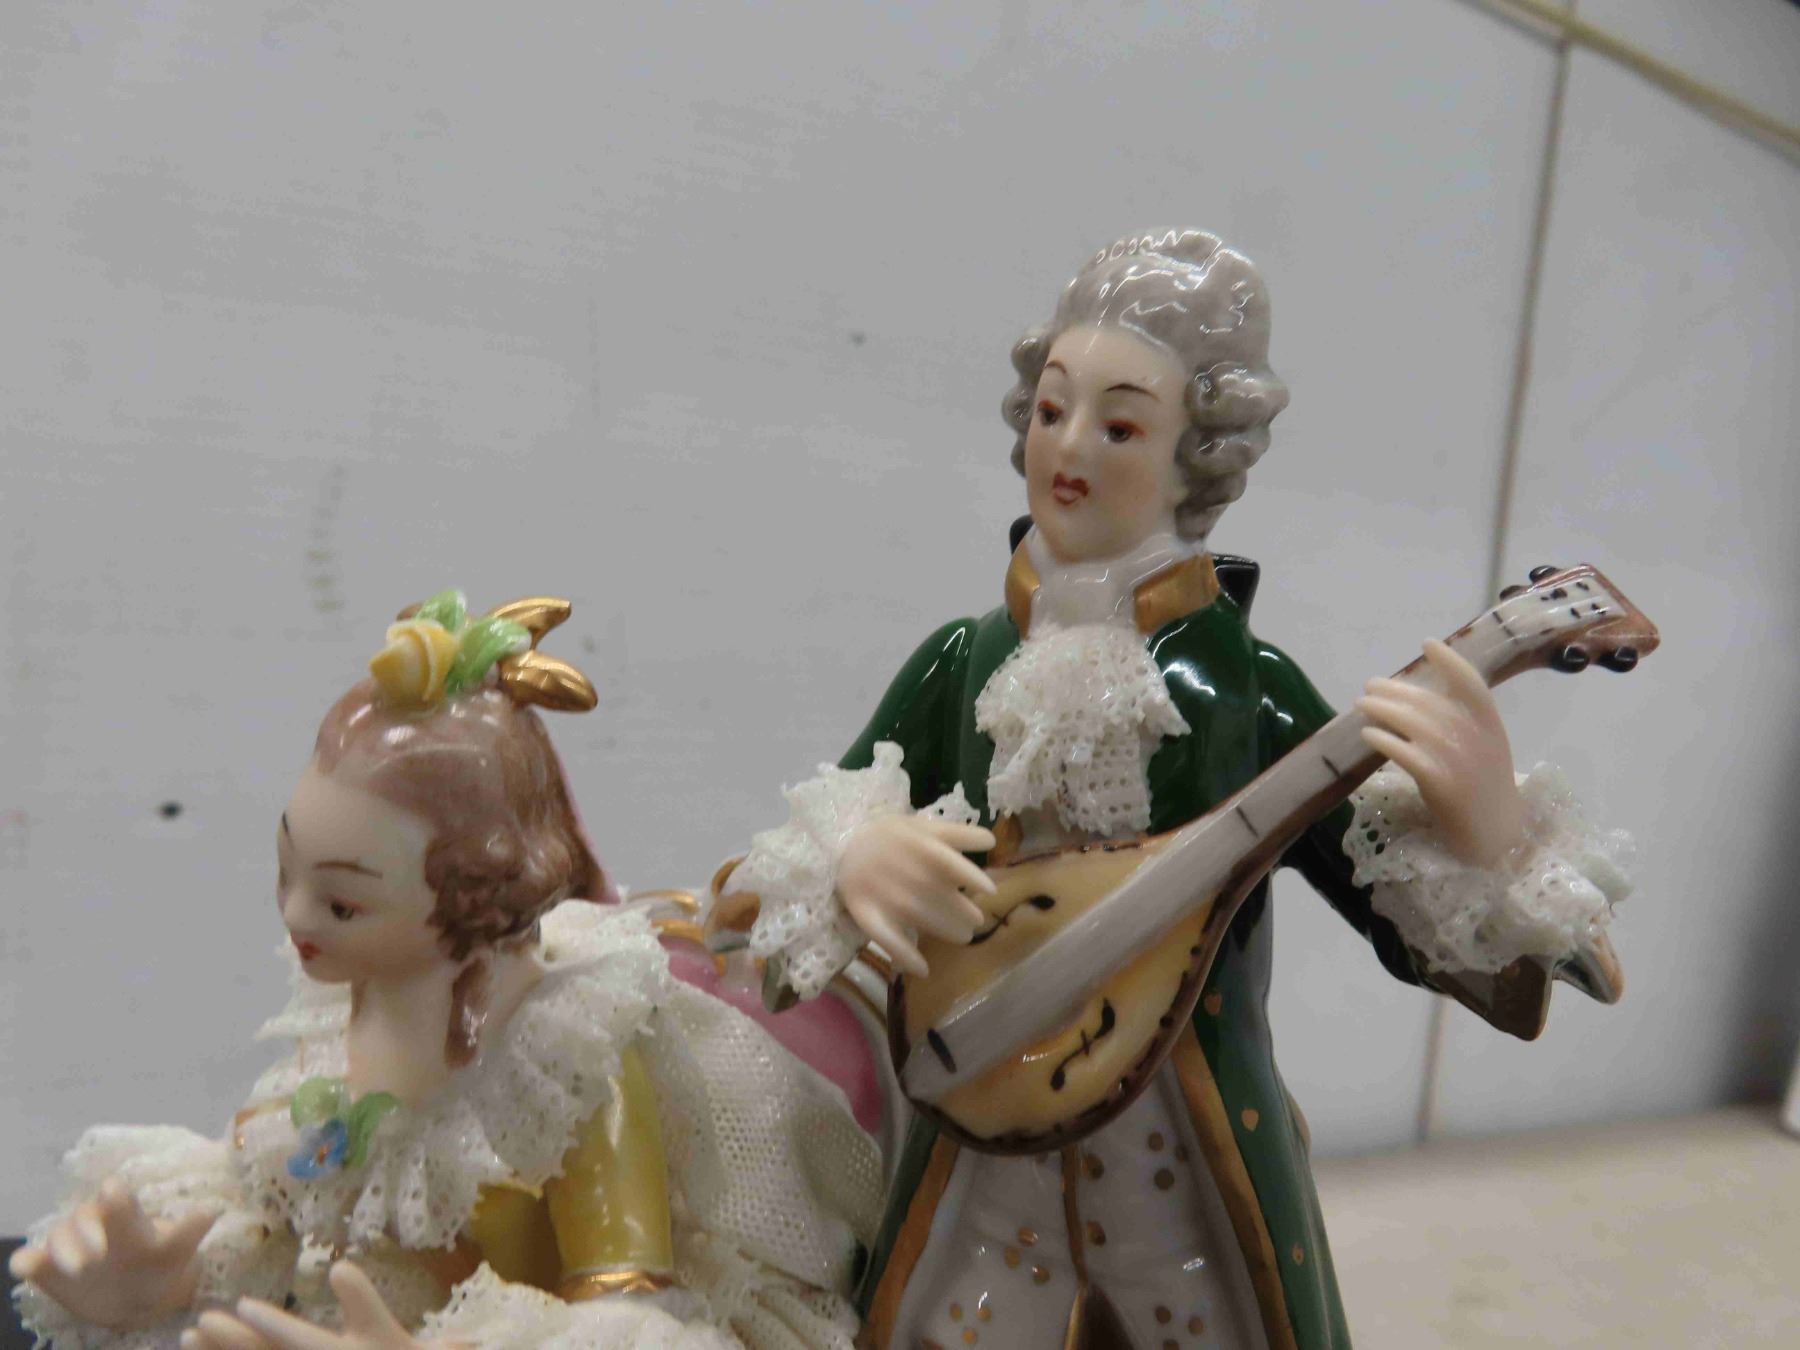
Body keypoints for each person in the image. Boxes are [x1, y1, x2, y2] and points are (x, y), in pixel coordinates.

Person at [725, 231, 1632, 1349]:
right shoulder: (963, 663)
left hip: (1185, 1189)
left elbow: (1423, 921)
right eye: (1052, 409)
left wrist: (1488, 833)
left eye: (1119, 426)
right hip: (982, 1165)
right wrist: (860, 855)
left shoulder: (1244, 689)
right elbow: (779, 883)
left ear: (1195, 456)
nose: (1069, 447)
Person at [13, 592, 880, 1350]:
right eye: (286, 871)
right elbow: (278, 1216)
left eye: (342, 902)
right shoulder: (336, 1016)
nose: (296, 920)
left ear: (472, 895)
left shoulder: (569, 1061)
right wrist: (164, 1281)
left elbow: (626, 1308)